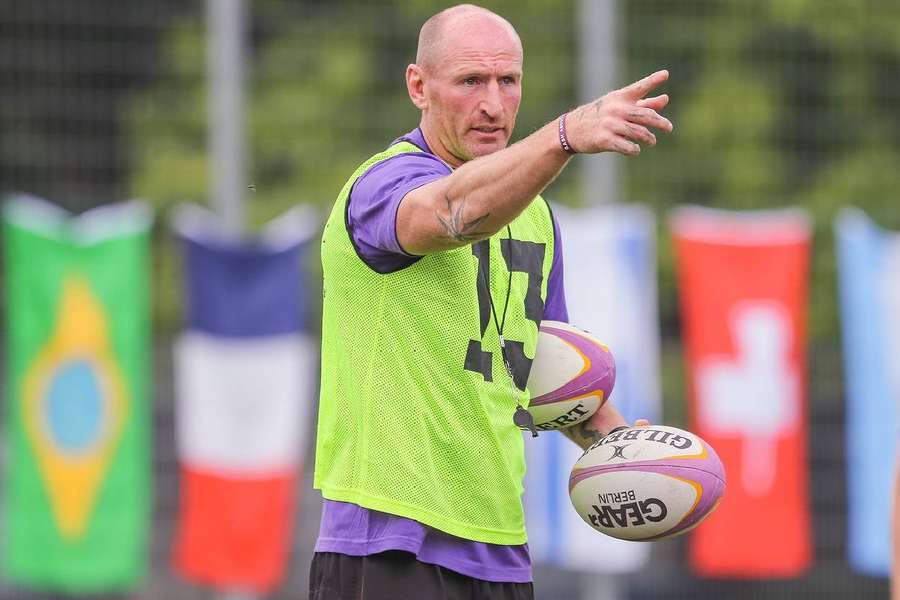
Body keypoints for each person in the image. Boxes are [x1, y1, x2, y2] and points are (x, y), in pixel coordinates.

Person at [310, 4, 672, 599]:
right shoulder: (382, 184)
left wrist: (627, 451)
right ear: (418, 87)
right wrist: (562, 138)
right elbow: (453, 213)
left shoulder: (535, 217)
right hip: (388, 537)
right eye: (471, 81)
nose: (494, 104)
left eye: (509, 81)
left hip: (499, 547)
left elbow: (544, 372)